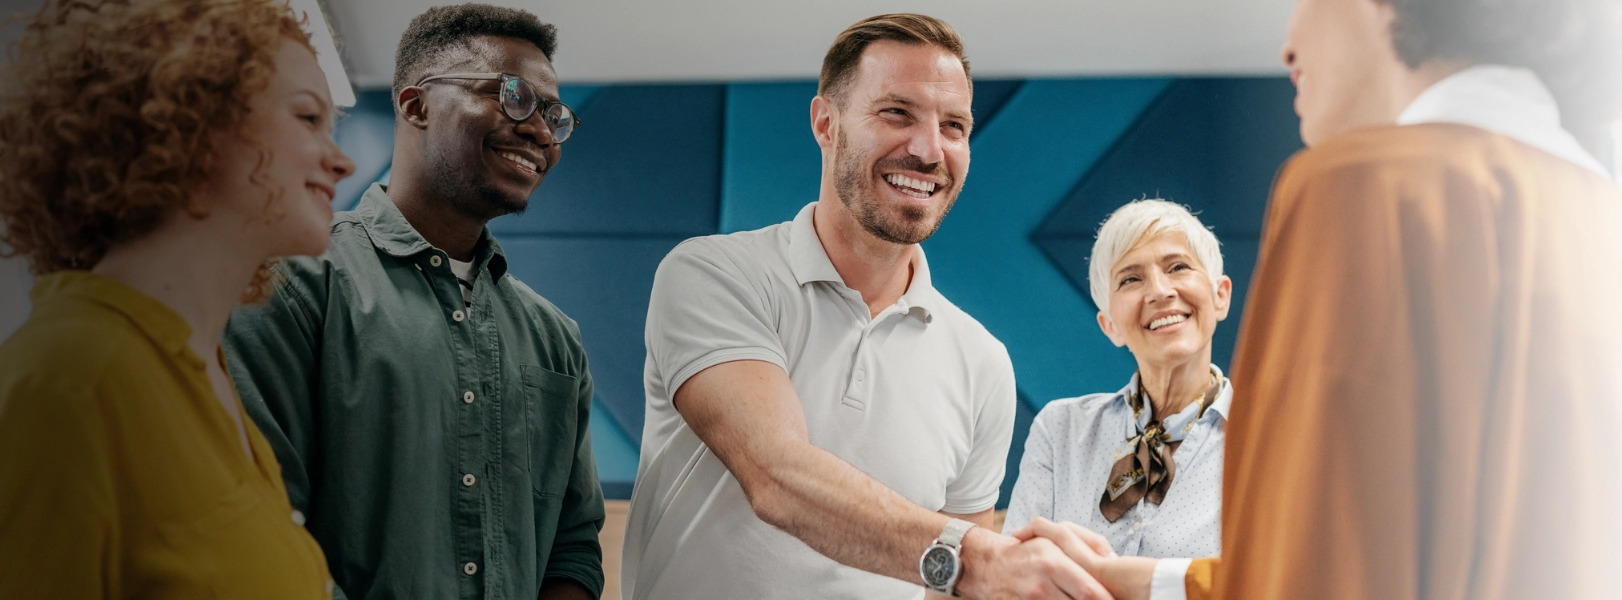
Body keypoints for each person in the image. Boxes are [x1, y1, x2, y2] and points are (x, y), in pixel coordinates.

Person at [1014, 0, 1622, 598]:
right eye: (1129, 279)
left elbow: (1310, 571)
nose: (1288, 44)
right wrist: (1128, 579)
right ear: (1107, 318)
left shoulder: (1362, 188)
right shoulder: (1619, 223)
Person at [621, 13, 1110, 600]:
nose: (930, 150)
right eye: (897, 113)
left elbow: (952, 589)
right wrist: (980, 558)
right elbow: (778, 475)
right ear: (826, 123)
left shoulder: (983, 362)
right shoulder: (714, 274)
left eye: (954, 125)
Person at [221, 4, 603, 599]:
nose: (539, 130)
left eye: (556, 115)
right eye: (513, 95)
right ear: (415, 104)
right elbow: (258, 528)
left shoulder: (555, 338)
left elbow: (573, 547)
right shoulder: (291, 283)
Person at [0, 0, 355, 596]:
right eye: (307, 117)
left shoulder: (200, 373)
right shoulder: (71, 377)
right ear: (189, 117)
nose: (341, 160)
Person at [1002, 199, 1234, 561]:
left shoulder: (1274, 441)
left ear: (1220, 296)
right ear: (1109, 326)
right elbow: (1013, 575)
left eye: (1177, 267)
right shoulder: (1060, 430)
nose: (1159, 291)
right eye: (1130, 279)